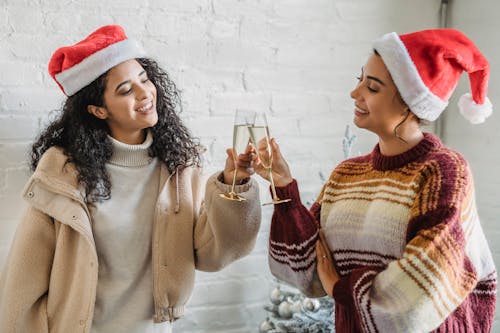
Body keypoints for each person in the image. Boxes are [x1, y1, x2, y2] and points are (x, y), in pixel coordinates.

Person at [0, 25, 262, 333]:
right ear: (98, 110)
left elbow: (212, 253)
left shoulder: (178, 168)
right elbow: (23, 284)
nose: (145, 93)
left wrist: (234, 182)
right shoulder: (64, 177)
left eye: (145, 79)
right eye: (125, 90)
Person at [256, 28, 497, 332]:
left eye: (372, 87)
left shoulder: (443, 172)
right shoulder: (347, 175)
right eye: (360, 80)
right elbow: (303, 269)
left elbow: (420, 293)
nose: (355, 93)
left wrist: (340, 289)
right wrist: (283, 186)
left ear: (410, 103)